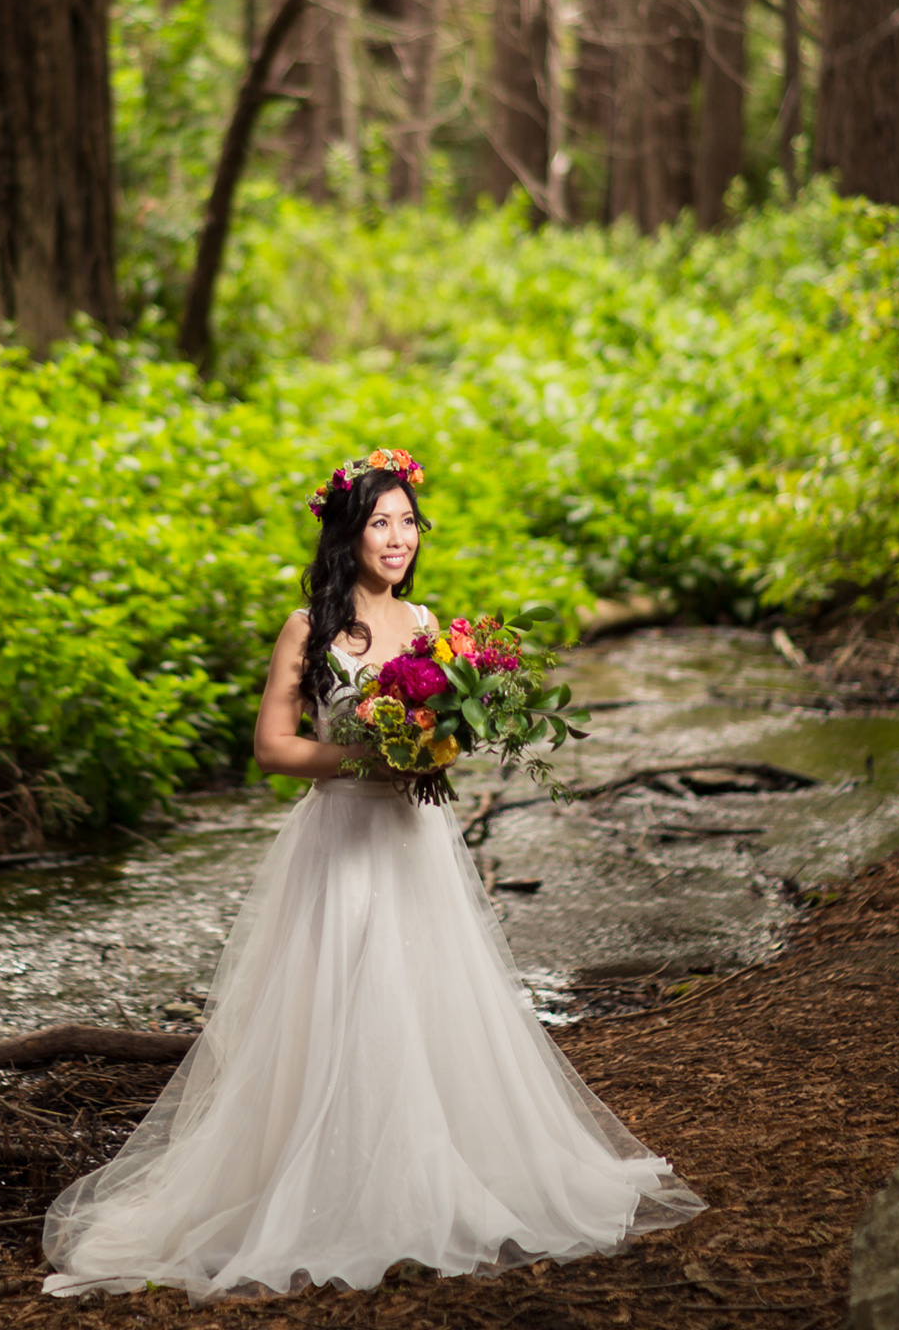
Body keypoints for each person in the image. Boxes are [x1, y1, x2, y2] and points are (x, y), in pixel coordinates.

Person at [40, 449, 704, 1300]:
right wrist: (361, 756)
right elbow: (271, 747)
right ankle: (326, 1192)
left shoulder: (431, 625)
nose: (396, 538)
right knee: (343, 1004)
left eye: (406, 522)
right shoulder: (310, 629)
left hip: (416, 840)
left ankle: (431, 1177)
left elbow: (449, 726)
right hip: (342, 839)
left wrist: (442, 744)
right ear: (348, 534)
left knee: (429, 1003)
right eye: (379, 523)